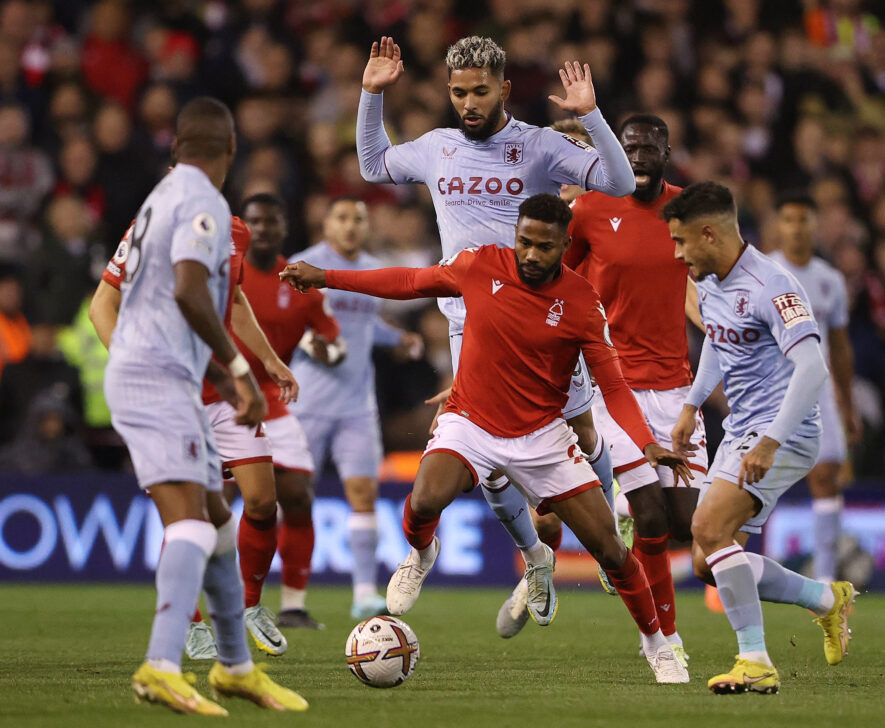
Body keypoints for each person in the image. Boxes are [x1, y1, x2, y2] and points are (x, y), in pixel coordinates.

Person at [282, 193, 693, 684]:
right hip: (472, 421)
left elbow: (615, 386)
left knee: (610, 551)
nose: (532, 255)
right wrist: (324, 277)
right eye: (524, 242)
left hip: (542, 435)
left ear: (565, 244)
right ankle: (422, 553)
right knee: (424, 499)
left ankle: (658, 646)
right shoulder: (478, 264)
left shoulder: (583, 302)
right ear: (514, 236)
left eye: (544, 246)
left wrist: (646, 443)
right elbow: (408, 282)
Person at [357, 35, 634, 635]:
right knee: (491, 463)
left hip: (546, 318)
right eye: (458, 93)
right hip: (474, 324)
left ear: (504, 89)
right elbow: (373, 164)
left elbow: (619, 183)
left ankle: (613, 534)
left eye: (480, 91)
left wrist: (590, 114)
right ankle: (536, 558)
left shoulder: (538, 145)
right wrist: (371, 95)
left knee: (583, 431)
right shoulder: (436, 149)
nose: (468, 103)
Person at [100, 96, 305, 714]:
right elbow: (192, 291)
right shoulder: (202, 203)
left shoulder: (157, 200)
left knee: (218, 519)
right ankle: (162, 664)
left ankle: (235, 666)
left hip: (161, 374)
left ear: (175, 148)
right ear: (231, 149)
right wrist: (237, 370)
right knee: (191, 522)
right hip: (159, 378)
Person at [666, 182, 856, 695]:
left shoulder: (774, 285)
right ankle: (825, 599)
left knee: (706, 527)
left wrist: (771, 441)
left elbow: (814, 369)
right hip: (741, 431)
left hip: (784, 434)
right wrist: (690, 406)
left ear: (710, 233)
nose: (678, 253)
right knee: (709, 561)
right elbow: (717, 342)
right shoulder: (709, 278)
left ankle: (754, 660)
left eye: (682, 242)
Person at [92, 212, 298, 660]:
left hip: (223, 390)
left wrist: (269, 361)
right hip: (171, 394)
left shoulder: (234, 230)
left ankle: (249, 608)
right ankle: (189, 621)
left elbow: (235, 303)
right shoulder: (148, 227)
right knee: (189, 514)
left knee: (263, 502)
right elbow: (102, 305)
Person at [564, 114, 706, 664]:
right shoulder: (591, 210)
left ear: (667, 152)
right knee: (650, 516)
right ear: (614, 154)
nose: (640, 155)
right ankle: (664, 641)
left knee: (688, 527)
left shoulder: (687, 212)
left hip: (674, 388)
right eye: (630, 148)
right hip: (611, 386)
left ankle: (621, 511)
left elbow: (707, 280)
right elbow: (560, 281)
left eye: (650, 146)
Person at [288, 196, 422, 620]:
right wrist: (312, 345)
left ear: (366, 227)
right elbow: (279, 321)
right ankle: (285, 595)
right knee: (290, 499)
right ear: (325, 222)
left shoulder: (371, 268)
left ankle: (364, 593)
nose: (350, 226)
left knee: (364, 495)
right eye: (342, 217)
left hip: (357, 408)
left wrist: (397, 338)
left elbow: (365, 325)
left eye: (358, 220)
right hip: (306, 402)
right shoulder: (304, 264)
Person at [237, 192, 345, 630]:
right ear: (243, 227)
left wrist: (325, 352)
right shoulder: (228, 272)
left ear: (283, 229)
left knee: (297, 496)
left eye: (270, 222)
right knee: (222, 503)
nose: (261, 229)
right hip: (220, 395)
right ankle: (224, 602)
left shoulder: (297, 282)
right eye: (254, 222)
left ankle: (294, 606)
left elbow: (335, 347)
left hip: (273, 402)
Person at [769, 191, 860, 583]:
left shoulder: (830, 281)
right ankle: (739, 570)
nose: (796, 227)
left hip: (819, 394)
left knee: (826, 480)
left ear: (814, 225)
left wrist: (848, 405)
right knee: (753, 483)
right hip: (771, 391)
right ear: (779, 225)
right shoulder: (765, 272)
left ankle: (825, 581)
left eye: (803, 220)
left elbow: (839, 348)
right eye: (788, 219)